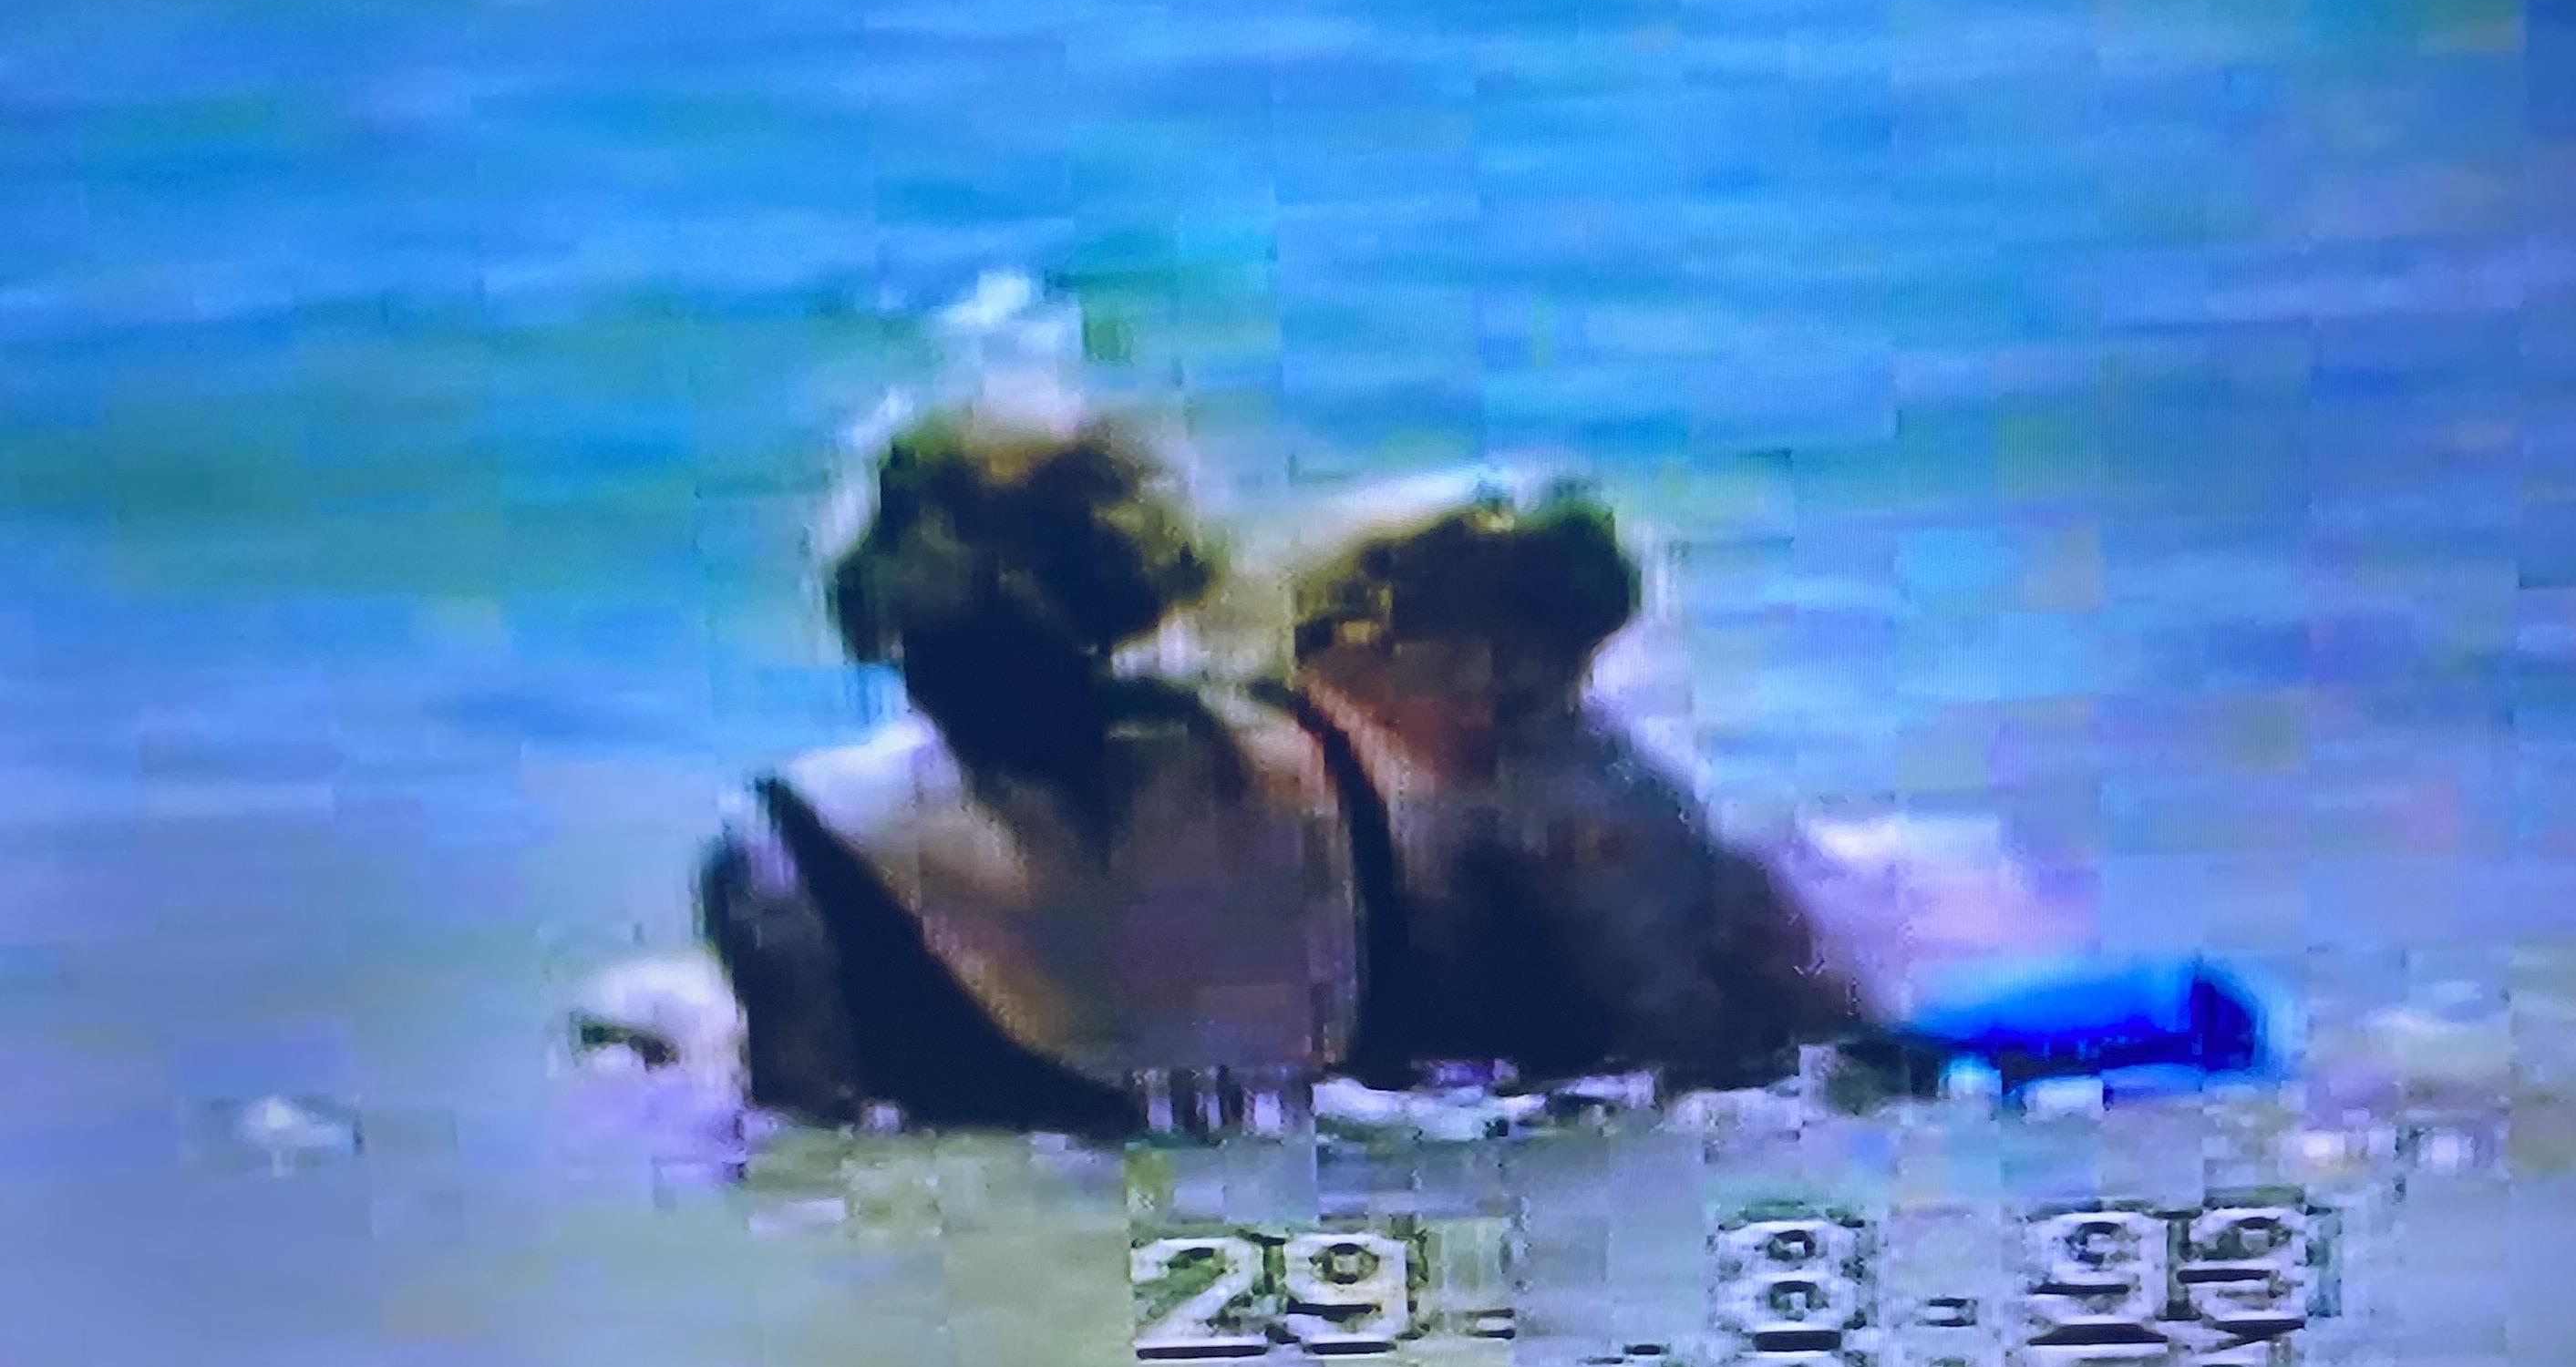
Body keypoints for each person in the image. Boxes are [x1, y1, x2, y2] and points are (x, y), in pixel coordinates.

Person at [680, 404, 1382, 1136]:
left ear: (877, 597)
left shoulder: (795, 841)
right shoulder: (1322, 775)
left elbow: (806, 1145)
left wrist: (698, 1054)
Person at [1275, 469, 1878, 1092]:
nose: (1489, 687)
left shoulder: (1597, 801)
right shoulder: (1303, 777)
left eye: (1532, 673)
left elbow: (1706, 1020)